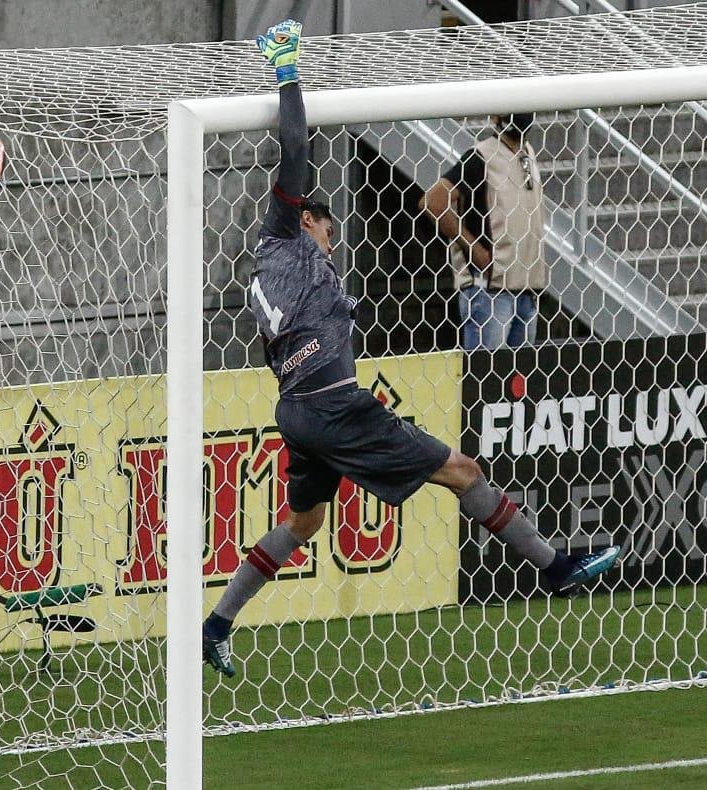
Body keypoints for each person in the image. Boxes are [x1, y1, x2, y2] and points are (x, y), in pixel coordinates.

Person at [201, 19, 621, 679]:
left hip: (298, 407)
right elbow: (293, 150)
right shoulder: (284, 234)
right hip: (334, 405)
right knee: (461, 471)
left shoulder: (268, 275)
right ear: (305, 219)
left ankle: (216, 622)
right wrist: (286, 72)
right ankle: (555, 567)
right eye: (329, 229)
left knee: (303, 524)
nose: (333, 241)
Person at [419, 112, 548, 350]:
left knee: (519, 382)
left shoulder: (527, 153)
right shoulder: (481, 157)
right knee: (485, 381)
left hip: (526, 288)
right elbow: (433, 201)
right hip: (489, 291)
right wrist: (474, 248)